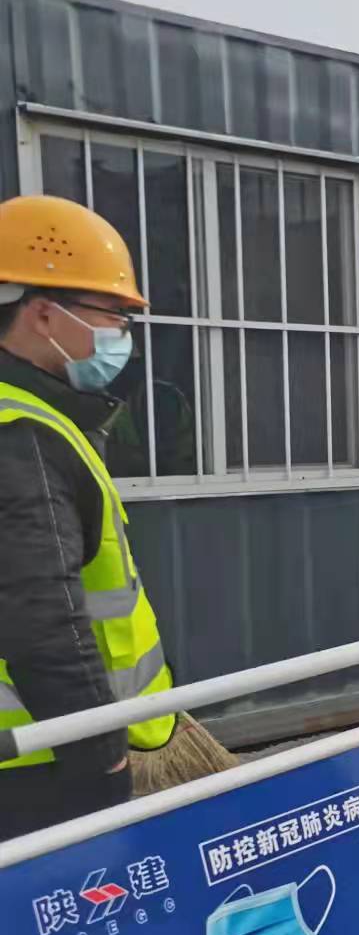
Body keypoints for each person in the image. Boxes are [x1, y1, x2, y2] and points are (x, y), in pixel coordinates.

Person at [0, 194, 176, 839]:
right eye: (112, 316)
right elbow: (41, 618)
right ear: (44, 313)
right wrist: (101, 759)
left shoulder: (33, 417)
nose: (121, 336)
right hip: (40, 766)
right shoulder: (19, 434)